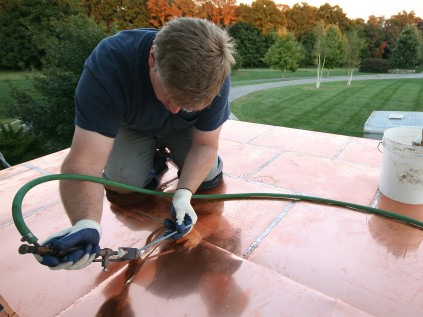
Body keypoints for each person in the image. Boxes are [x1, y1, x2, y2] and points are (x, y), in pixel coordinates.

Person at [36, 17, 236, 270]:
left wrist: (184, 193)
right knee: (124, 183)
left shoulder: (215, 75)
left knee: (206, 175)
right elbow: (84, 161)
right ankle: (153, 163)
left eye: (185, 105)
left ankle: (176, 160)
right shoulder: (109, 66)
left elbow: (206, 145)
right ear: (153, 58)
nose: (174, 110)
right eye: (169, 96)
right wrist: (86, 223)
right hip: (131, 126)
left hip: (186, 132)